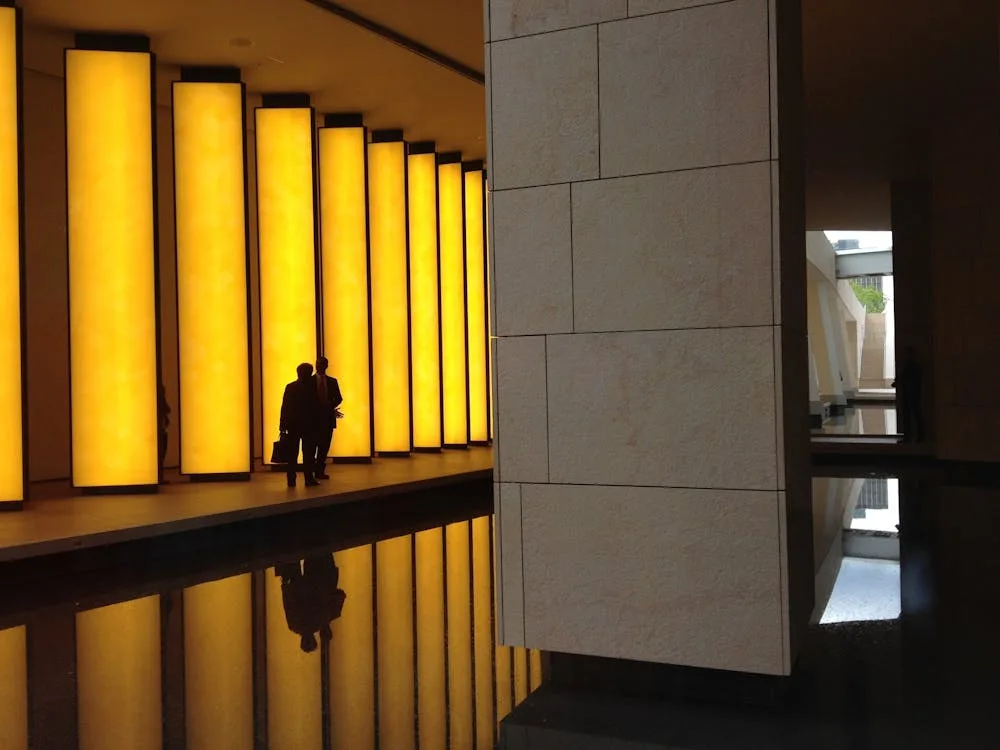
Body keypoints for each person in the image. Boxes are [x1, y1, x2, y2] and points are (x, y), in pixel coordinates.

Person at [279, 363, 321, 488]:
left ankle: (292, 479)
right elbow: (315, 407)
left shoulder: (291, 387)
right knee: (307, 453)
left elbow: (285, 407)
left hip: (294, 425)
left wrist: (282, 424)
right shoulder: (313, 388)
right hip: (307, 425)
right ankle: (308, 478)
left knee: (293, 454)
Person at [313, 356, 343, 480]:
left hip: (326, 419)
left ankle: (319, 471)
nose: (319, 366)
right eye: (318, 364)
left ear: (326, 366)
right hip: (314, 419)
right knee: (312, 447)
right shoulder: (310, 381)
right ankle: (313, 471)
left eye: (322, 364)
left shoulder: (332, 381)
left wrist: (328, 406)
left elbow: (339, 398)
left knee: (324, 446)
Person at [892, 346, 924, 443]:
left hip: (909, 393)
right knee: (914, 414)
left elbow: (904, 378)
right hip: (913, 393)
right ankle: (919, 436)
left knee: (909, 415)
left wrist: (897, 382)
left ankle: (910, 436)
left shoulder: (909, 366)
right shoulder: (915, 366)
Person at [158, 383, 171, 484]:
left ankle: (159, 476)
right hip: (162, 429)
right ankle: (160, 477)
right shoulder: (160, 400)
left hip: (161, 428)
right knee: (162, 452)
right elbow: (167, 409)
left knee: (161, 453)